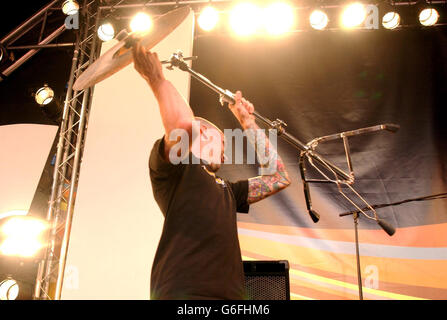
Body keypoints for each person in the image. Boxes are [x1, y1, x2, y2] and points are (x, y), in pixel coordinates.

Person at [132, 42, 291, 300]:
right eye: (223, 144)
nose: (226, 155)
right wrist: (157, 79)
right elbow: (185, 125)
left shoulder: (228, 190)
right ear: (205, 133)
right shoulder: (178, 169)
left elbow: (279, 177)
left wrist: (247, 122)